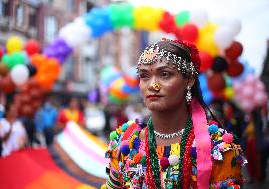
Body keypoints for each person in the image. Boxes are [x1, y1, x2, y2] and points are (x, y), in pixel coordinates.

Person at [103, 39, 246, 188]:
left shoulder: (218, 147)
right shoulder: (125, 142)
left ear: (189, 80)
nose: (153, 85)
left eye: (165, 74)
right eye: (144, 76)